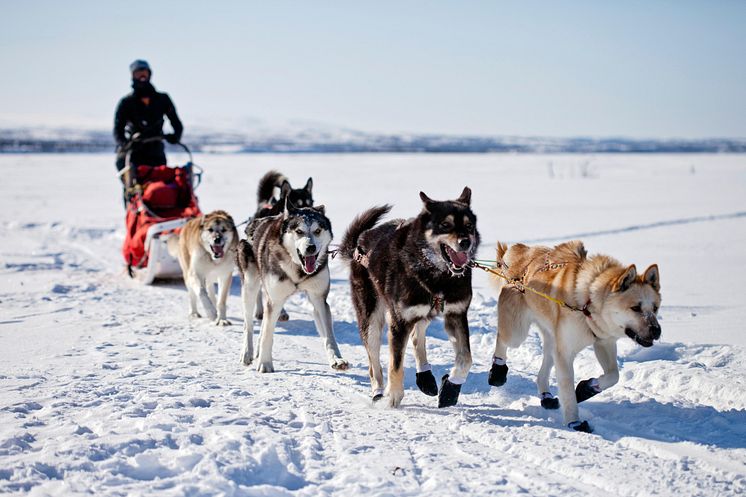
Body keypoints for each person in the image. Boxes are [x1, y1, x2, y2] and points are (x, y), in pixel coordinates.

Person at [114, 59, 183, 173]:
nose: (142, 76)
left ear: (149, 74)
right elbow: (118, 129)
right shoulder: (126, 102)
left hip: (156, 153)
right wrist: (126, 144)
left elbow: (176, 123)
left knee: (159, 184)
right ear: (133, 75)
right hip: (134, 153)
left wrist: (176, 136)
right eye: (138, 73)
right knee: (134, 187)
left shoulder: (162, 99)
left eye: (144, 72)